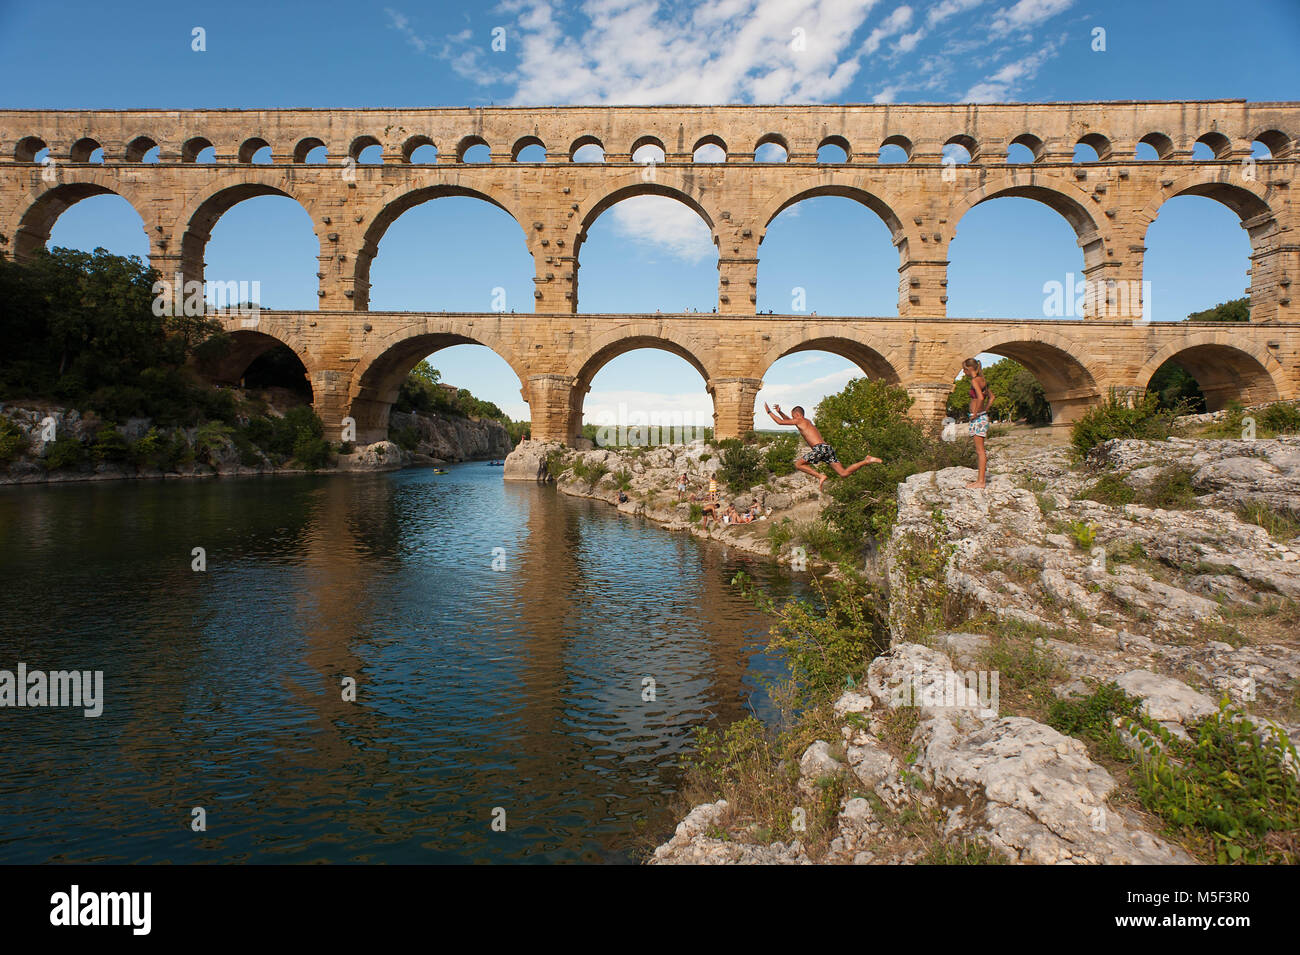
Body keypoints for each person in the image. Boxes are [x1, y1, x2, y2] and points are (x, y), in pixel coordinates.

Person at [764, 402, 882, 491]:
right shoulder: (805, 421)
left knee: (798, 464)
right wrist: (780, 412)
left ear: (798, 414)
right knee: (844, 473)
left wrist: (769, 412)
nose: (793, 419)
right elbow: (788, 420)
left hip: (819, 449)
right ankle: (867, 460)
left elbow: (780, 422)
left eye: (793, 416)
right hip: (827, 449)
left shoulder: (799, 420)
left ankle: (821, 476)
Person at [963, 357, 996, 489]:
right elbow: (991, 397)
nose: (963, 372)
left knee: (980, 451)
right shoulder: (982, 380)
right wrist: (984, 411)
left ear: (969, 369)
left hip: (977, 419)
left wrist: (976, 413)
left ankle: (981, 482)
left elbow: (981, 397)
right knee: (980, 451)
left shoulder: (975, 380)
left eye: (964, 369)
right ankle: (980, 480)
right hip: (981, 417)